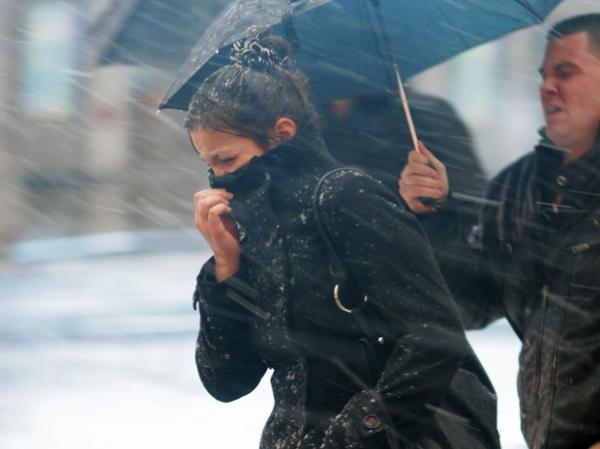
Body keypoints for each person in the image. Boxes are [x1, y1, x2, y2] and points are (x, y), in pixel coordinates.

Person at [188, 32, 500, 449]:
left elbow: (435, 339)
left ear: (283, 132)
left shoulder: (346, 195)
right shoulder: (250, 231)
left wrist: (355, 431)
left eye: (227, 160)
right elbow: (226, 381)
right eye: (208, 164)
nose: (219, 178)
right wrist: (226, 269)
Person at [399, 13, 600, 449]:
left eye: (566, 72)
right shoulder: (517, 187)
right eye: (544, 75)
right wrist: (434, 218)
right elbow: (473, 302)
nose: (548, 87)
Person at [320, 92, 487, 299]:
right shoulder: (300, 123)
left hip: (412, 301)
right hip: (326, 307)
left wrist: (430, 207)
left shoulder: (426, 119)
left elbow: (472, 223)